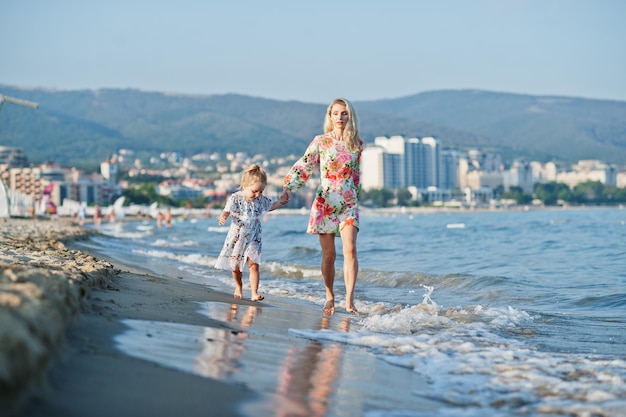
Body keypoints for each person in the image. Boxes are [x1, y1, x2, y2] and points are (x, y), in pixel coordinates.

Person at [281, 98, 362, 316]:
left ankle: (350, 300)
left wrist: (356, 198)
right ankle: (329, 295)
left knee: (350, 249)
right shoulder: (321, 141)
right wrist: (289, 187)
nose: (340, 118)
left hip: (348, 202)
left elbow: (356, 177)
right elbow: (304, 164)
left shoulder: (357, 144)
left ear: (350, 116)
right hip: (326, 201)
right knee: (329, 255)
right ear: (330, 116)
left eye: (344, 113)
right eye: (335, 113)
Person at [215, 164, 289, 301]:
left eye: (261, 191)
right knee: (236, 266)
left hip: (254, 237)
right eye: (255, 191)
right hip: (237, 237)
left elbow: (271, 205)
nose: (258, 194)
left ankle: (254, 293)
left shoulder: (260, 199)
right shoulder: (236, 198)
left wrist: (281, 202)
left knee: (254, 264)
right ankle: (238, 286)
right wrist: (224, 215)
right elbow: (227, 209)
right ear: (244, 185)